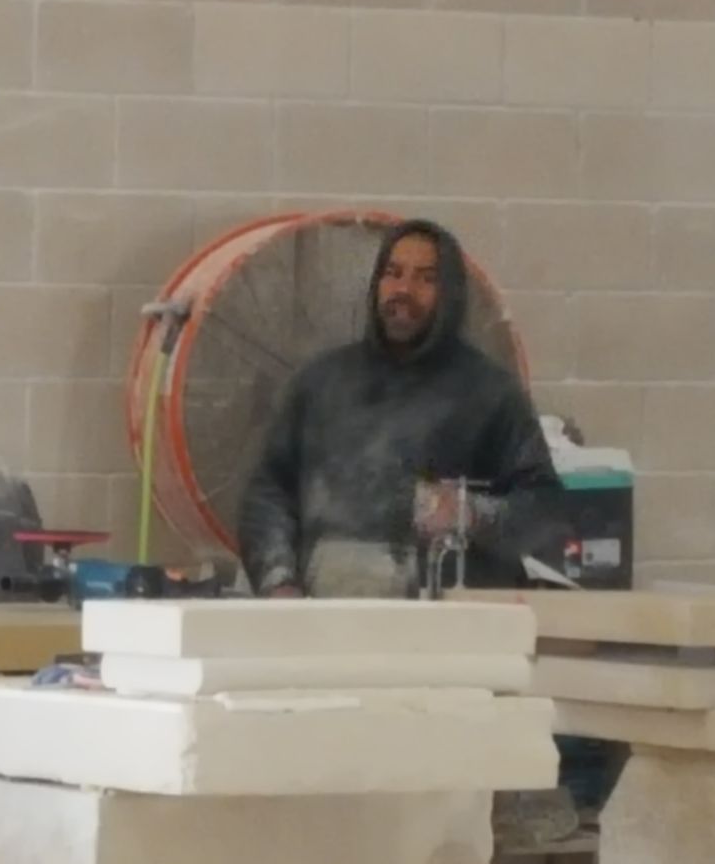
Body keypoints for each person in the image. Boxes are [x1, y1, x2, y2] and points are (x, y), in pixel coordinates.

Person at [237, 218, 562, 601]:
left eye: (426, 278)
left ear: (451, 293)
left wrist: (471, 513)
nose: (404, 289)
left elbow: (546, 512)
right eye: (393, 273)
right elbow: (268, 493)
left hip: (446, 622)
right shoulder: (319, 383)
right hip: (325, 618)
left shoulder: (491, 393)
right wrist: (278, 582)